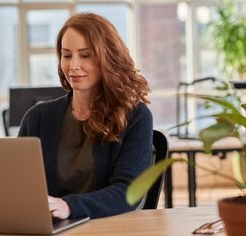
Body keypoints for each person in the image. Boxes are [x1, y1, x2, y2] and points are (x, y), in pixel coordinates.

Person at [18, 13, 153, 220]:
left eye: (85, 55)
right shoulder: (37, 118)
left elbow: (128, 193)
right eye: (66, 55)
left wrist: (69, 206)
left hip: (106, 230)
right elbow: (18, 187)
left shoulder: (135, 117)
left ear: (107, 57)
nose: (73, 65)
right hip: (48, 229)